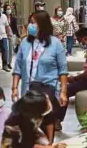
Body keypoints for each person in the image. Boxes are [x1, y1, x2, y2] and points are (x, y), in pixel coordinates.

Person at [11, 11, 68, 144]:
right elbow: (18, 68)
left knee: (46, 120)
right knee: (28, 126)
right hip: (28, 92)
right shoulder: (25, 43)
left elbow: (63, 71)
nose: (30, 25)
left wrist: (64, 92)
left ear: (42, 24)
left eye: (33, 23)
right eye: (29, 22)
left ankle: (49, 144)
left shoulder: (55, 44)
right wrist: (14, 88)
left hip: (48, 90)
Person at [2, 90, 67, 148]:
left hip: (31, 134)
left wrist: (50, 144)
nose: (49, 104)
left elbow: (49, 119)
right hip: (15, 142)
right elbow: (26, 145)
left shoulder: (41, 102)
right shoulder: (19, 121)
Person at [4, 3, 20, 69]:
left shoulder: (13, 18)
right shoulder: (3, 17)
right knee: (6, 49)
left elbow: (15, 27)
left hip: (12, 35)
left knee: (11, 50)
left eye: (9, 9)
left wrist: (18, 36)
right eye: (7, 9)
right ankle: (6, 63)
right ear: (5, 10)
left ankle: (9, 63)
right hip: (5, 35)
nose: (8, 10)